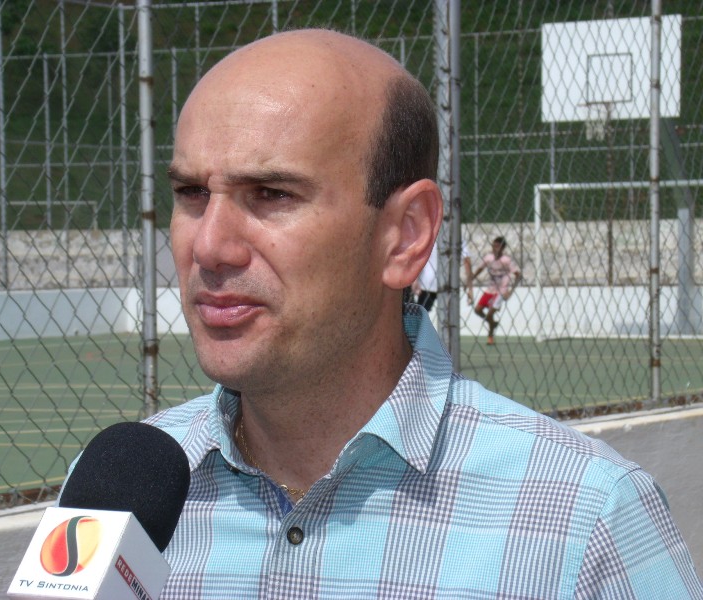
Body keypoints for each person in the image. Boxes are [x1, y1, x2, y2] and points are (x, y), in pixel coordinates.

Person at [67, 29, 701, 599]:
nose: (208, 246)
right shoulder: (116, 500)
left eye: (271, 194)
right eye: (191, 193)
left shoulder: (586, 521)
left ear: (406, 235)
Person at [472, 235, 521, 345]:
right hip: (490, 289)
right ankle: (493, 323)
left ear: (503, 248)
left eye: (498, 246)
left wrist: (510, 291)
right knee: (477, 310)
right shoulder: (488, 258)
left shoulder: (507, 260)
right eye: (493, 246)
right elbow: (480, 268)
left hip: (501, 291)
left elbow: (518, 275)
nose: (495, 249)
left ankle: (490, 337)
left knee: (490, 313)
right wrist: (471, 278)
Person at [412, 238, 473, 311]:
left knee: (422, 313)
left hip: (427, 282)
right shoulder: (456, 236)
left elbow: (417, 256)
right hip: (448, 283)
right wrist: (470, 288)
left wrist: (415, 279)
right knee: (449, 314)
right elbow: (467, 261)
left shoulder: (429, 234)